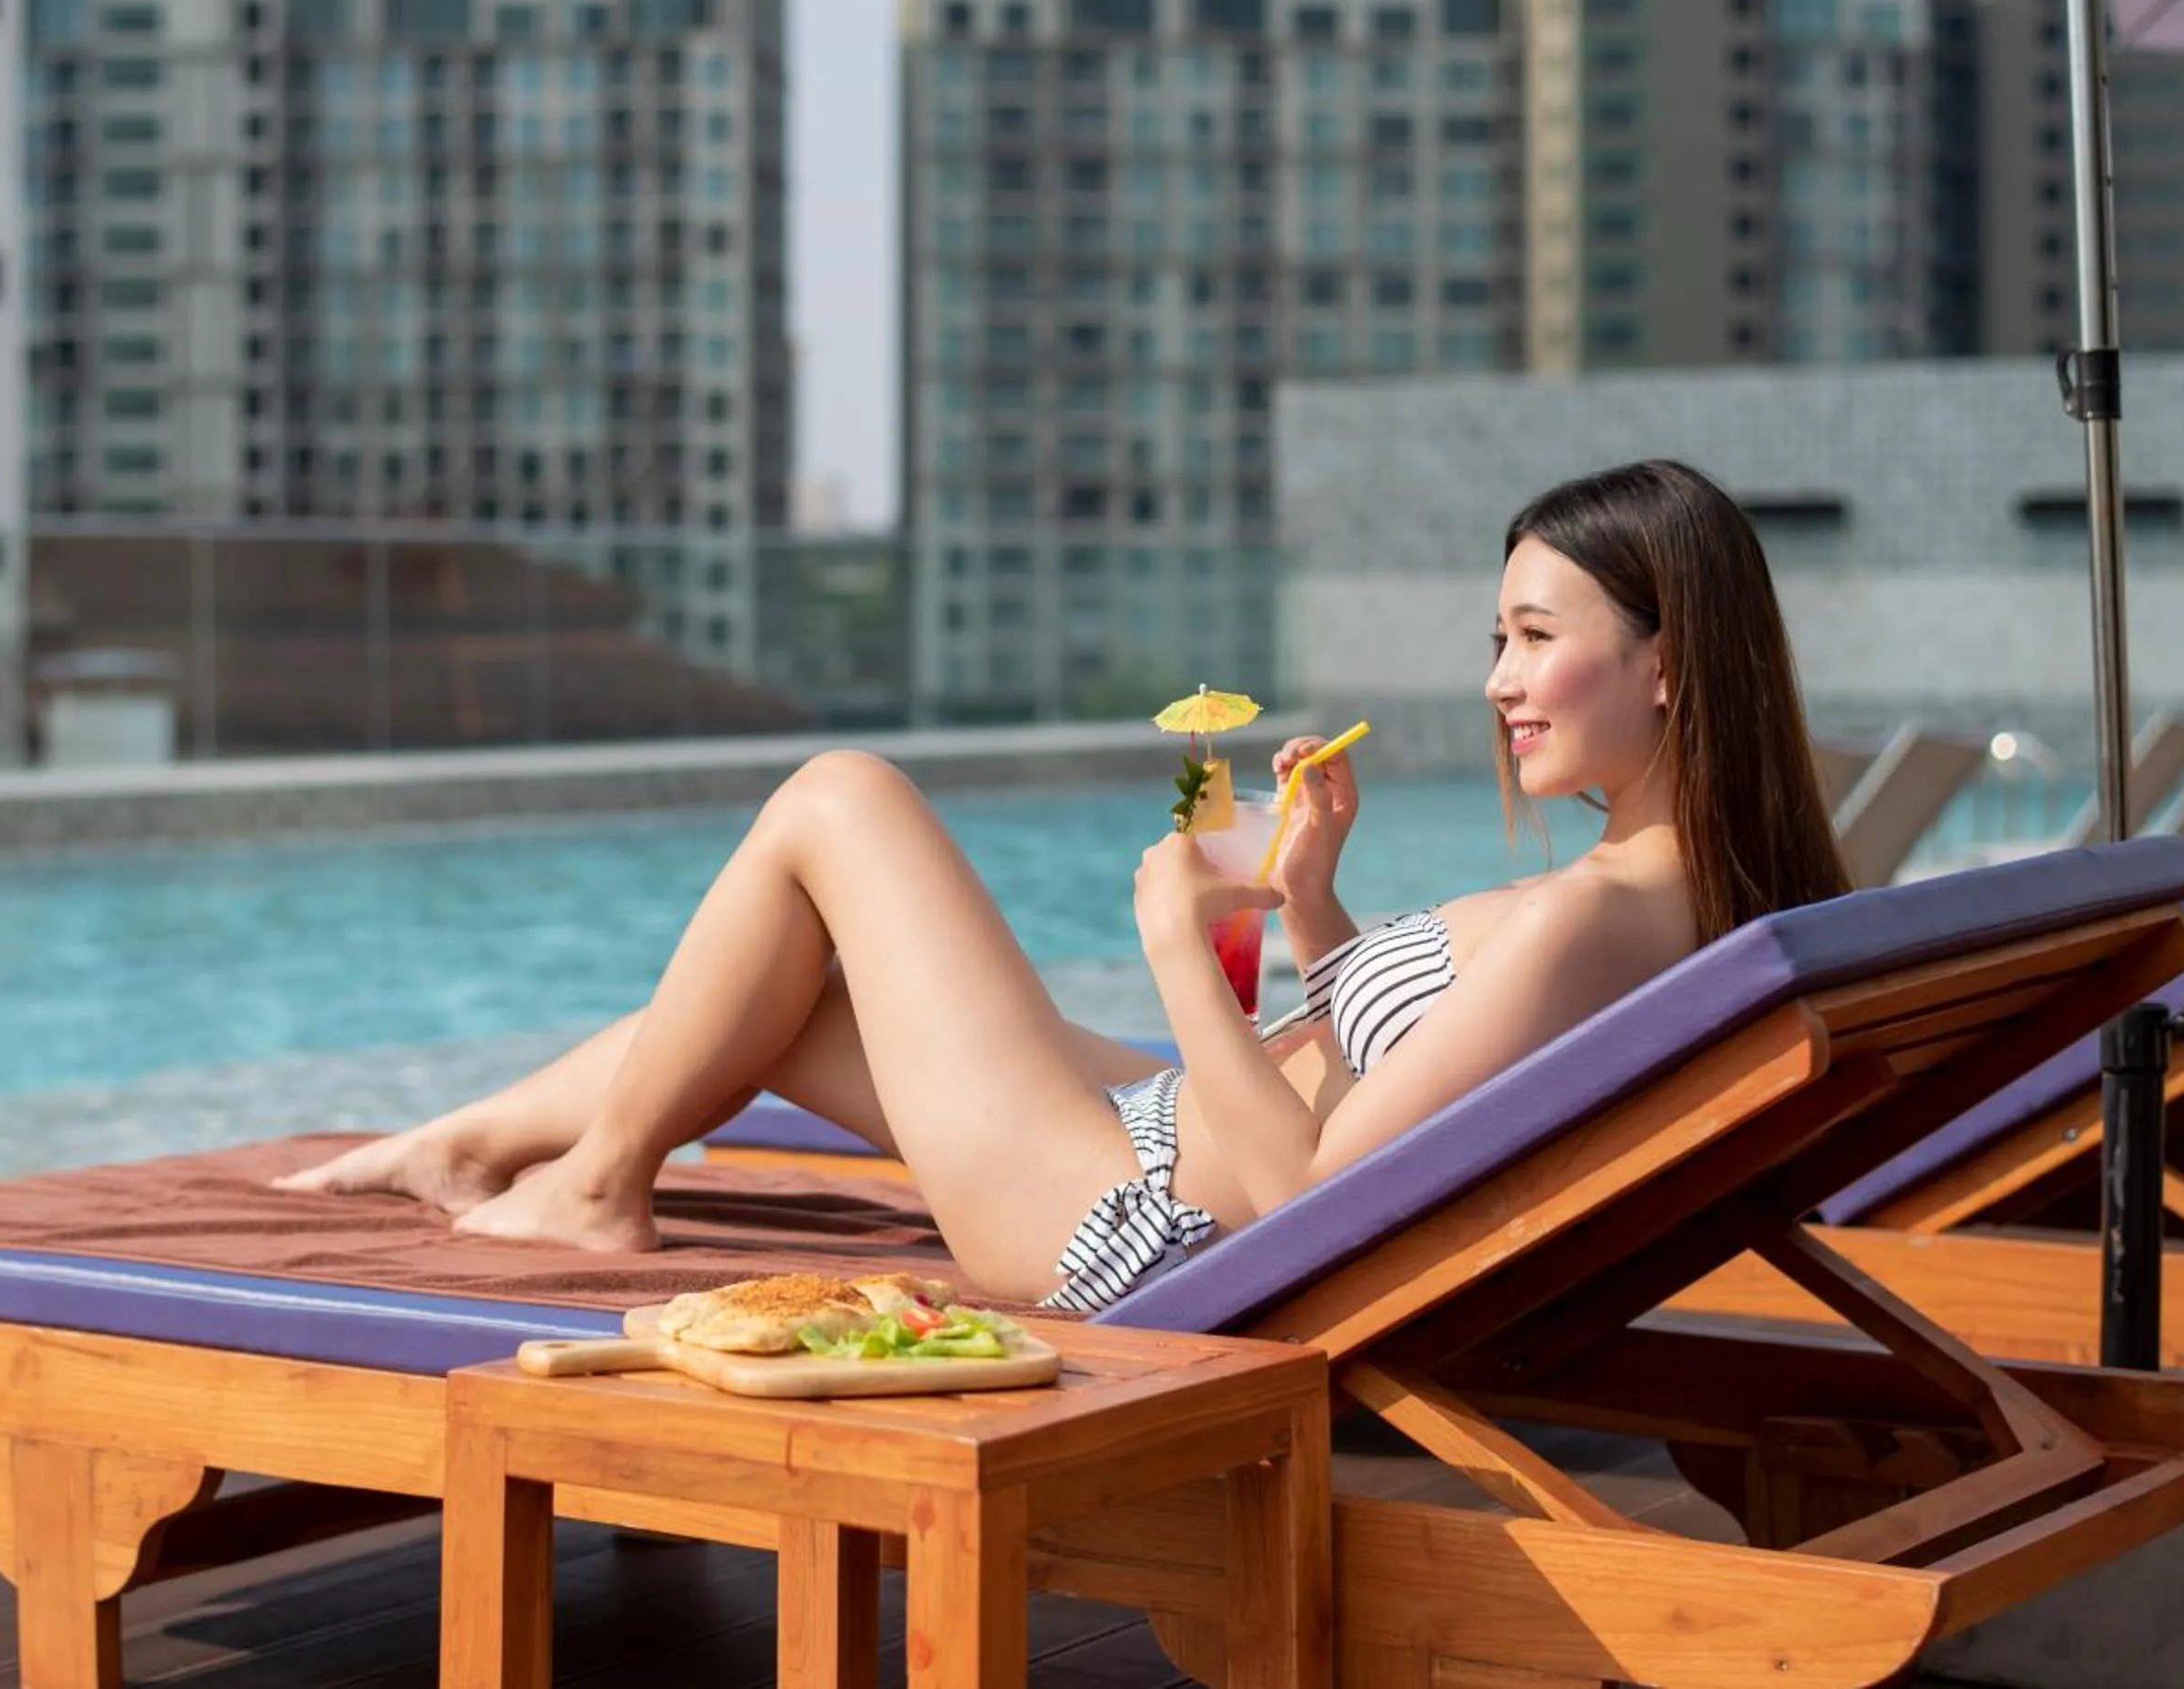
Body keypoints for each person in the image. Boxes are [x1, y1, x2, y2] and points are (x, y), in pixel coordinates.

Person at [278, 460, 1851, 1308]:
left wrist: (1177, 943)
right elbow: (1421, 1088)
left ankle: (597, 1191)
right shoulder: (1674, 898)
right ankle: (476, 1140)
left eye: (1534, 633)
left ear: (1669, 663)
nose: (1497, 677)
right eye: (1499, 633)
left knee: (842, 799)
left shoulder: (1594, 914)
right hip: (1167, 1141)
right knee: (801, 988)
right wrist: (1311, 908)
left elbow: (1315, 1203)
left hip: (1137, 1224)